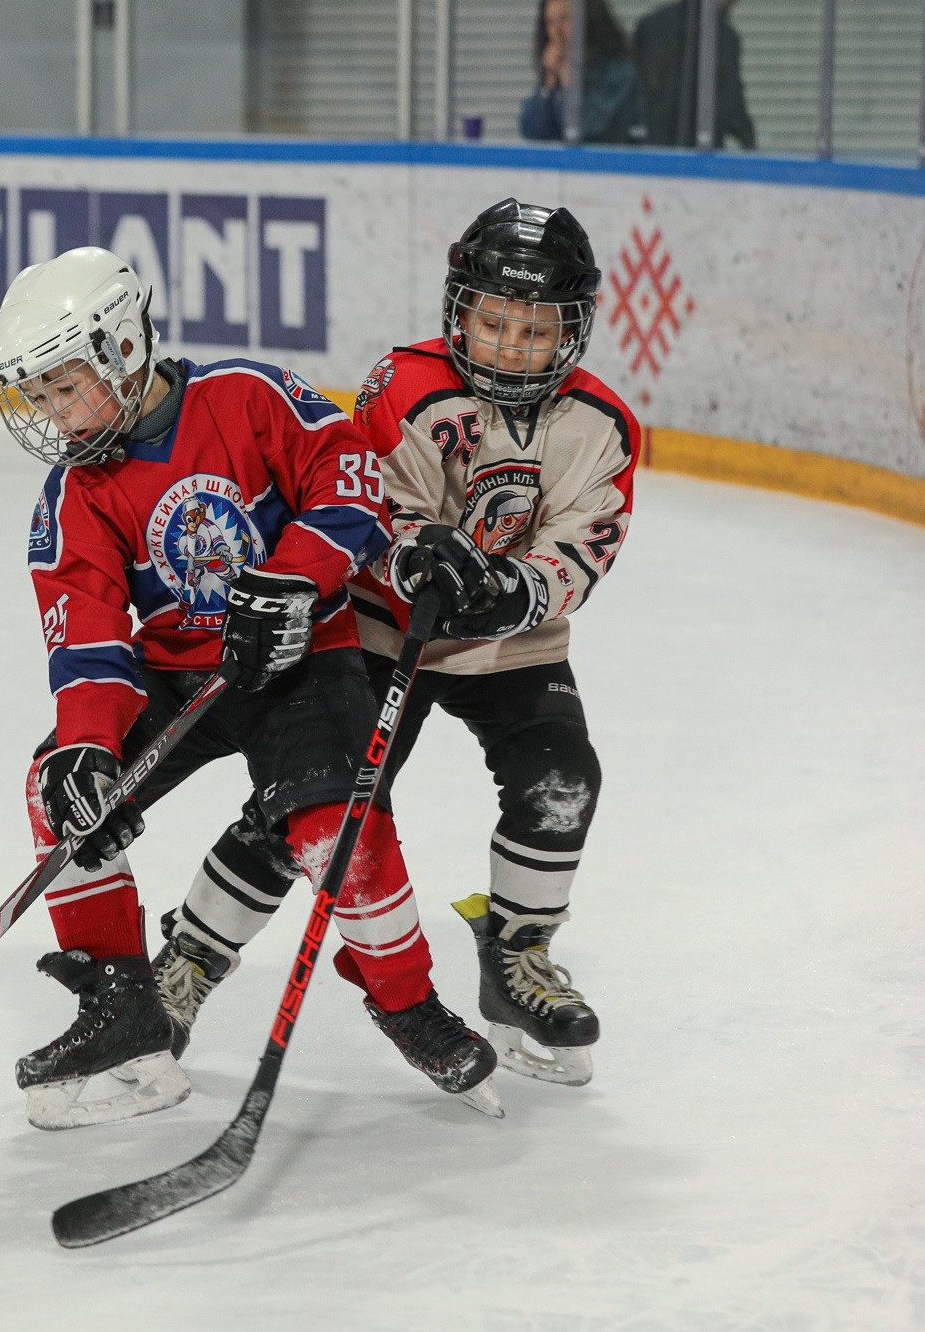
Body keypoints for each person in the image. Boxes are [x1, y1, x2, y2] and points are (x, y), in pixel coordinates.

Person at [0, 246, 501, 1131]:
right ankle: (123, 1009)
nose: (54, 414)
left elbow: (351, 484)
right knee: (59, 793)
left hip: (303, 659)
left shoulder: (246, 396)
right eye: (39, 396)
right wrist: (87, 742)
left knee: (338, 826)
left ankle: (404, 998)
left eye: (66, 386)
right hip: (180, 673)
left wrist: (296, 577)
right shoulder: (74, 494)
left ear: (120, 347)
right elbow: (90, 638)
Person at [152, 199, 636, 1089]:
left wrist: (515, 589)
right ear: (459, 310)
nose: (508, 345)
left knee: (563, 780)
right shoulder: (405, 384)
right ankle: (186, 962)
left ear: (572, 331)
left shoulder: (601, 424)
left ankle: (516, 957)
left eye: (534, 329)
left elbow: (582, 541)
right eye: (492, 321)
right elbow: (371, 503)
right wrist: (416, 556)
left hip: (512, 644)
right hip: (377, 630)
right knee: (312, 802)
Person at [632, 0, 756, 149]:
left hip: (650, 147)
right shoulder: (722, 36)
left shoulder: (651, 25)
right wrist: (749, 142)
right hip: (700, 151)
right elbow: (730, 101)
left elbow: (633, 89)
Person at [519, 0, 646, 144]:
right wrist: (549, 82)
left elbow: (588, 131)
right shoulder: (556, 72)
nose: (557, 31)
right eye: (550, 22)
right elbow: (532, 131)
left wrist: (570, 83)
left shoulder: (618, 72)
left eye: (565, 19)